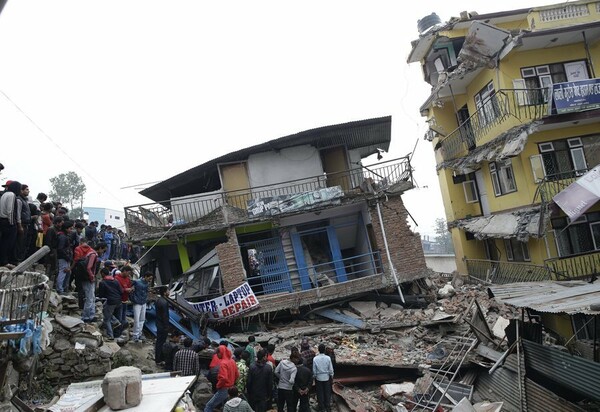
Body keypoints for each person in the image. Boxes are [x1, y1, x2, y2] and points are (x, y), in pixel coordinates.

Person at [204, 345, 239, 412]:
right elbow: (237, 375)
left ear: (221, 353)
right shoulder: (232, 361)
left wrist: (218, 385)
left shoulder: (223, 363)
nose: (217, 355)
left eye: (218, 353)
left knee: (208, 406)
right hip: (231, 388)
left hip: (224, 388)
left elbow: (223, 378)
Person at [82, 242, 107, 323]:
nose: (103, 253)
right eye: (103, 250)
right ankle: (86, 317)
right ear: (100, 248)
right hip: (88, 279)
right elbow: (89, 268)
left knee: (92, 298)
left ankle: (91, 316)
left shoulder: (90, 253)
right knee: (89, 299)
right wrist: (92, 276)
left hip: (87, 278)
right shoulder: (93, 255)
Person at [0, 181, 22, 266]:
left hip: (2, 220)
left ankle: (3, 260)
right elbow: (11, 211)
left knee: (4, 242)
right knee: (9, 243)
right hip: (8, 222)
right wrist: (13, 224)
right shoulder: (12, 195)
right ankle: (5, 261)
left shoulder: (4, 194)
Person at [98, 267, 124, 339]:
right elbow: (121, 291)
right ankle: (116, 322)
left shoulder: (102, 282)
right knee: (107, 310)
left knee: (106, 319)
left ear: (102, 274)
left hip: (111, 301)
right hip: (119, 301)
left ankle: (110, 335)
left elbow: (101, 295)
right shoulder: (115, 281)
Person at [130, 272, 153, 342]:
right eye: (149, 278)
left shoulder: (147, 283)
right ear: (146, 276)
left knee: (142, 319)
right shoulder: (136, 282)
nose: (150, 280)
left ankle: (139, 334)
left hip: (143, 302)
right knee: (137, 319)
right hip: (137, 302)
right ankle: (135, 335)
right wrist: (132, 298)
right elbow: (130, 289)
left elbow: (146, 291)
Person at [312, 344, 334, 412]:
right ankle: (327, 407)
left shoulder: (315, 358)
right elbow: (330, 369)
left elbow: (314, 370)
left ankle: (321, 407)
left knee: (320, 393)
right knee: (327, 392)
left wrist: (314, 377)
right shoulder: (328, 358)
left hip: (318, 378)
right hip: (326, 377)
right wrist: (332, 376)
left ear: (318, 350)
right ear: (324, 350)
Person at [55, 220, 74, 295]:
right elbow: (60, 249)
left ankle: (63, 287)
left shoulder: (63, 235)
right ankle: (60, 289)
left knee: (66, 272)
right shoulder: (62, 237)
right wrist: (67, 257)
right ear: (66, 228)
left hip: (65, 257)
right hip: (63, 258)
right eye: (70, 228)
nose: (71, 230)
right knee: (63, 272)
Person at [115, 265, 134, 331]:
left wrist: (131, 289)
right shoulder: (117, 278)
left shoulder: (128, 279)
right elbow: (117, 289)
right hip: (119, 301)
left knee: (123, 317)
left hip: (125, 301)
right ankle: (117, 332)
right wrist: (125, 290)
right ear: (124, 271)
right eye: (128, 273)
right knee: (119, 318)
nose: (129, 274)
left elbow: (129, 287)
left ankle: (122, 332)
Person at [154, 286, 170, 364]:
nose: (169, 292)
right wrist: (167, 326)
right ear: (164, 292)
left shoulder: (158, 300)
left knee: (159, 342)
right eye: (168, 290)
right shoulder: (164, 302)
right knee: (161, 342)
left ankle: (158, 358)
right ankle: (159, 359)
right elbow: (165, 316)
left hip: (159, 324)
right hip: (163, 325)